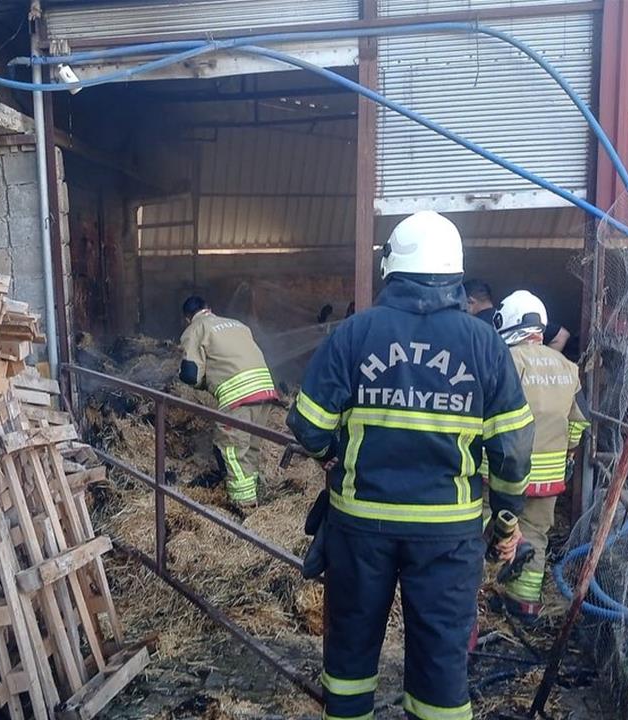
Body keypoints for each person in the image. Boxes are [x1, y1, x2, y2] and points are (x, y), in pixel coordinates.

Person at [287, 211, 534, 720]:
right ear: (454, 271)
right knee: (441, 660)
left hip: (360, 525)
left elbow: (309, 425)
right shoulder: (485, 344)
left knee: (351, 649)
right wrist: (506, 518)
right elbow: (510, 452)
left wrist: (332, 457)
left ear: (391, 267)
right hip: (449, 534)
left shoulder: (355, 333)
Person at [484, 291, 590, 622]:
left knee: (484, 521)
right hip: (550, 475)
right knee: (537, 532)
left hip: (504, 472)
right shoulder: (567, 367)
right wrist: (567, 455)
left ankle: (481, 587)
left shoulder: (507, 361)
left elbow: (490, 415)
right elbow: (579, 421)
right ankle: (526, 604)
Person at [179, 296, 278, 508]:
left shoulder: (195, 329)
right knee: (251, 447)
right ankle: (256, 494)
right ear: (210, 309)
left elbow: (191, 375)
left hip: (238, 397)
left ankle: (244, 506)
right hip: (265, 390)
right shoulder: (238, 324)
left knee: (231, 449)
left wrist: (201, 383)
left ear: (187, 319)